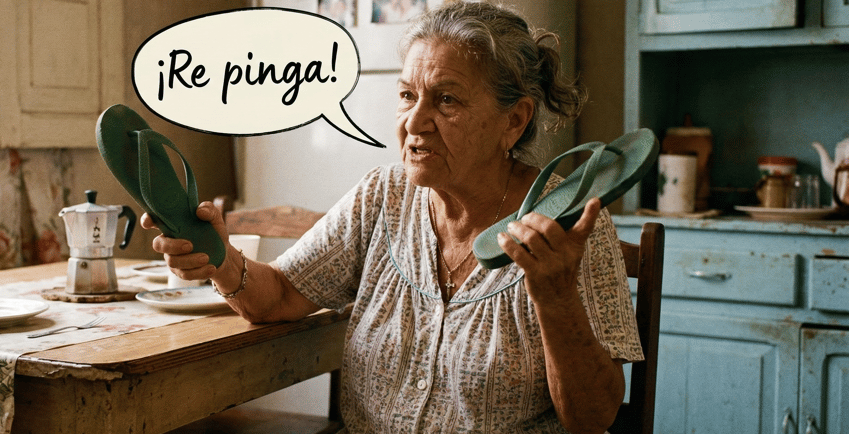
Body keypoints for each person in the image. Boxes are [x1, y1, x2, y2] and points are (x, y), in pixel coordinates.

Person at [143, 2, 642, 432]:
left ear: (514, 120)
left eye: (446, 100)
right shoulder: (384, 195)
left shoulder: (572, 223)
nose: (414, 122)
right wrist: (218, 257)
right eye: (407, 95)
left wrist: (556, 300)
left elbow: (591, 418)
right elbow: (280, 296)